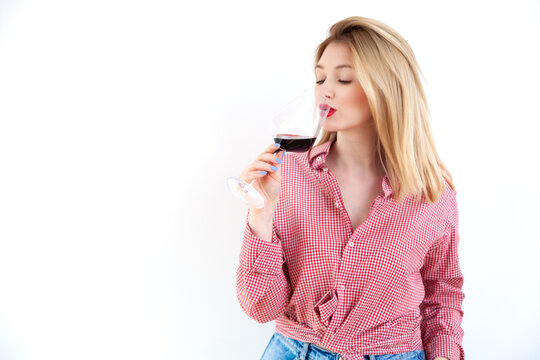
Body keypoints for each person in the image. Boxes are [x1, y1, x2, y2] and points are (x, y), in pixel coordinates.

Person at [235, 16, 464, 360]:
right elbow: (261, 307)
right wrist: (261, 214)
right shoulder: (287, 175)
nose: (325, 90)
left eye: (343, 78)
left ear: (386, 89)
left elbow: (442, 294)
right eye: (320, 78)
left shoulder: (432, 192)